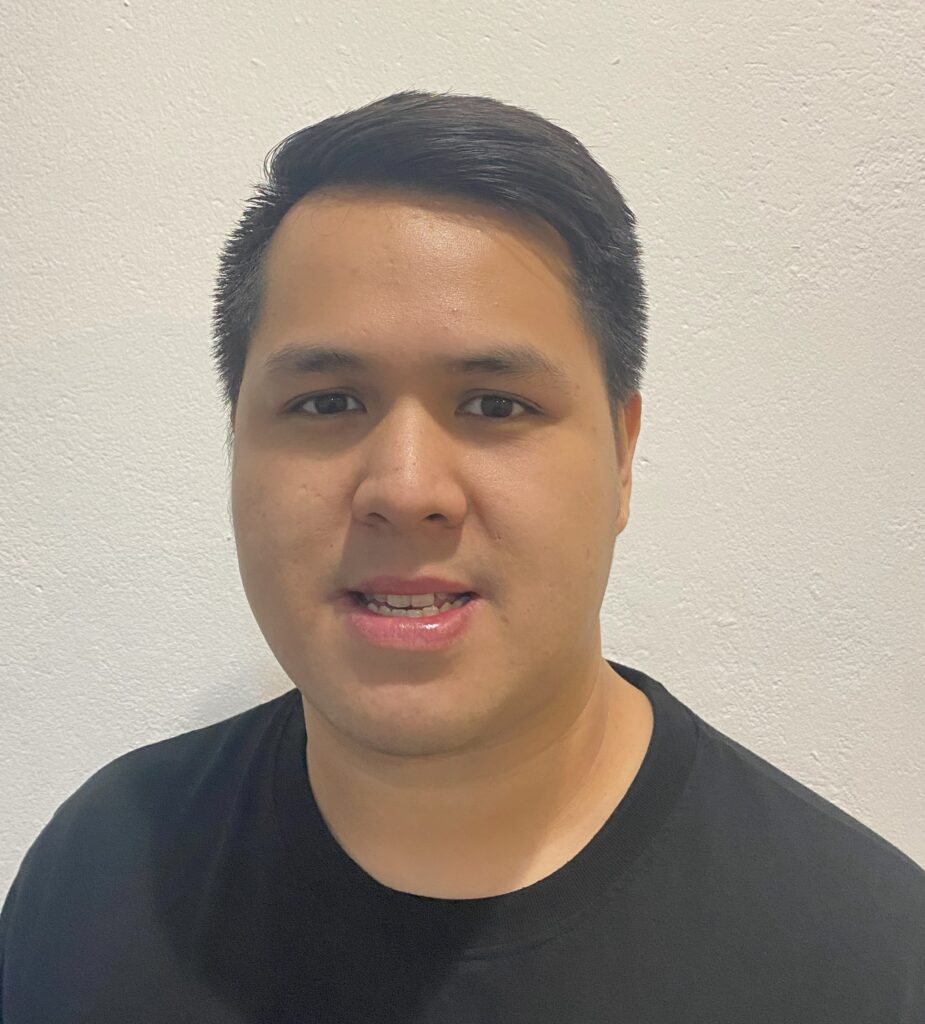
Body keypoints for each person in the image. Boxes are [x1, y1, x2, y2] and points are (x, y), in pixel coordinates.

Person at [1, 89, 922, 1022]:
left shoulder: (865, 964)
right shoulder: (100, 876)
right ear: (236, 443)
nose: (405, 489)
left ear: (621, 456)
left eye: (494, 405)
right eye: (327, 402)